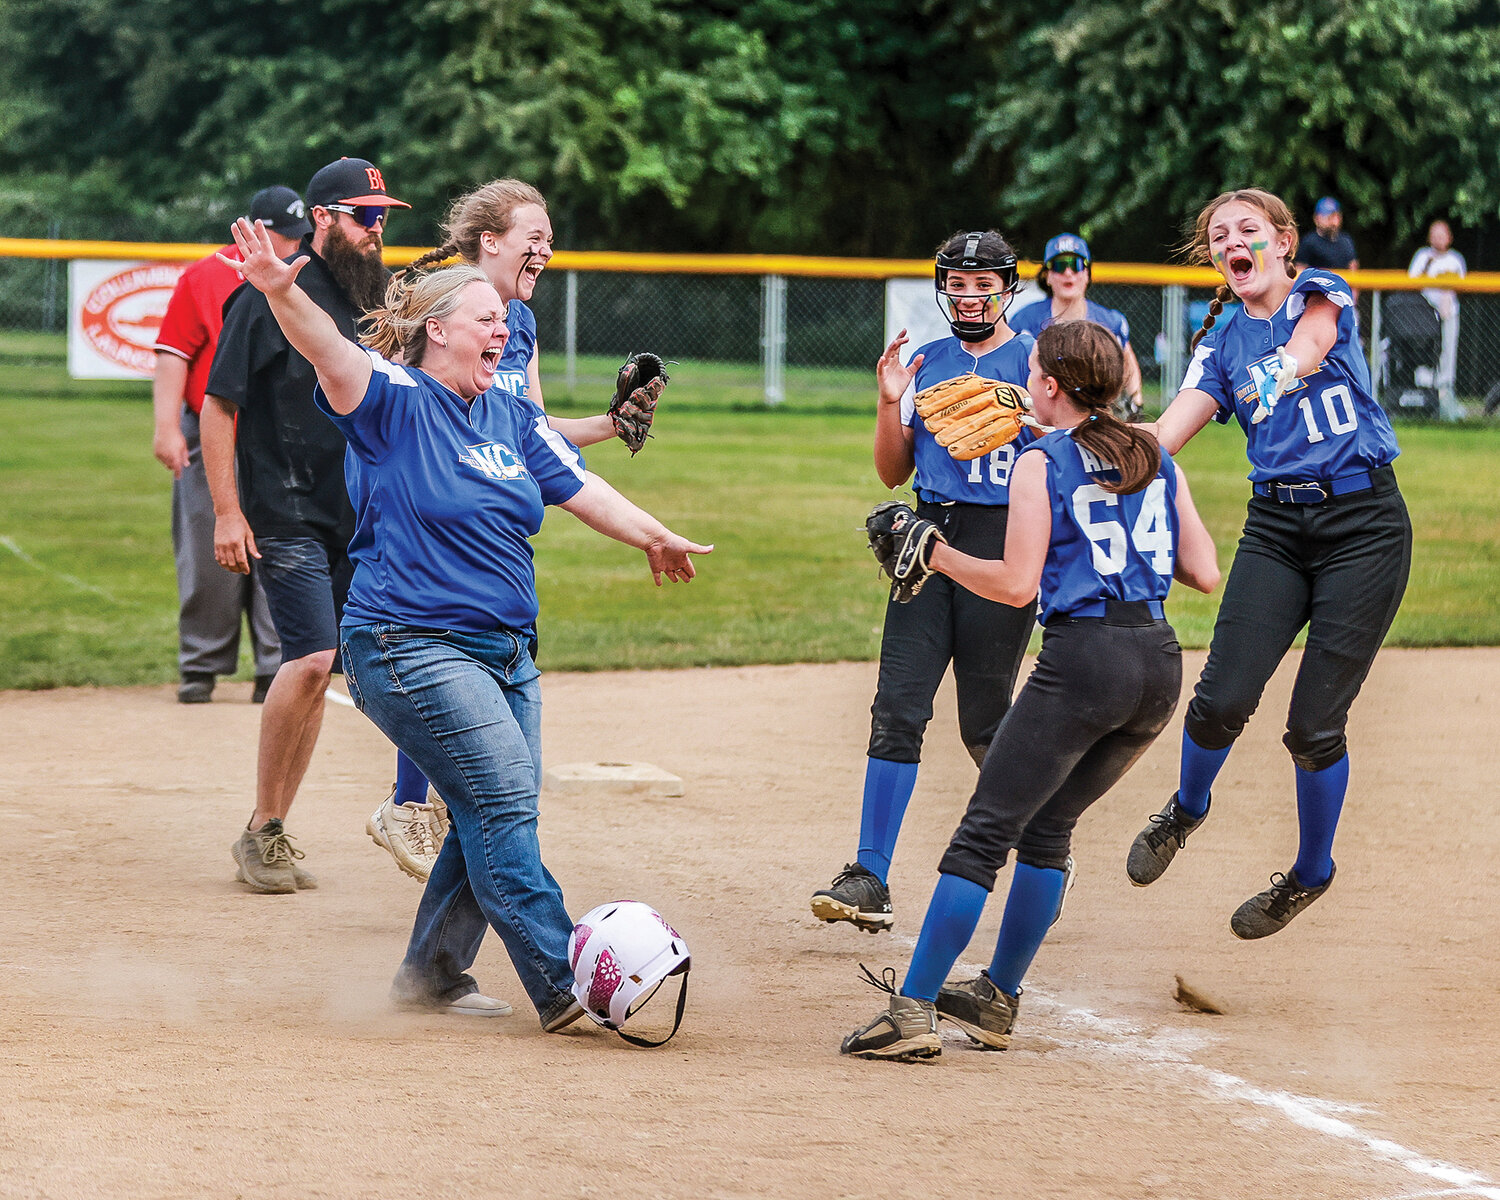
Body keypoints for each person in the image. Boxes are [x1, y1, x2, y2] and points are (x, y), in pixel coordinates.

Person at [219, 216, 711, 1025]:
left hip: (507, 651)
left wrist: (652, 532)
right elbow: (328, 349)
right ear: (436, 330)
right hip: (406, 644)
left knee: (489, 806)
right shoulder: (391, 397)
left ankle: (432, 974)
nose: (504, 329)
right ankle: (567, 982)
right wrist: (281, 290)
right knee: (505, 798)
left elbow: (579, 487)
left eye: (505, 322)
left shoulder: (510, 414)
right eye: (488, 318)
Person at [840, 320, 1219, 1061]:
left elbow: (1014, 586)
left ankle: (912, 1010)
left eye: (1034, 371)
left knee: (985, 832)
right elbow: (1202, 570)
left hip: (1083, 663)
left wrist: (937, 552)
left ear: (1048, 386)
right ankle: (994, 998)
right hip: (1158, 665)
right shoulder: (1153, 454)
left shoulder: (1040, 462)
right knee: (1048, 829)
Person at [1125, 188, 1411, 939]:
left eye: (1247, 229)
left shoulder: (1321, 289)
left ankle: (1311, 872)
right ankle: (1186, 808)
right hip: (1278, 529)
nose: (1231, 242)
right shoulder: (1217, 348)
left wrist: (1278, 369)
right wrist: (1088, 443)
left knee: (1313, 725)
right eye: (1219, 235)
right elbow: (1167, 434)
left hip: (1365, 527)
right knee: (1220, 700)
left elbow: (1311, 344)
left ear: (1284, 242)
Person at [364, 179, 644, 881]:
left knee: (490, 691)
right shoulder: (438, 309)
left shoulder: (519, 325)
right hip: (423, 523)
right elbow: (406, 421)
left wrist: (610, 426)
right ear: (490, 241)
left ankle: (449, 861)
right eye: (535, 237)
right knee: (444, 652)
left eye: (550, 238)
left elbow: (531, 432)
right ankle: (408, 807)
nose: (547, 249)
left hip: (494, 525)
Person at [809, 230, 1039, 935]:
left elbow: (1076, 446)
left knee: (983, 720)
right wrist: (889, 401)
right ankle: (869, 875)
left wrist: (1026, 411)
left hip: (1005, 540)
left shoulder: (1037, 359)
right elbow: (891, 472)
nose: (970, 295)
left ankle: (1041, 849)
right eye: (958, 283)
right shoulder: (925, 361)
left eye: (984, 283)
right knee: (898, 706)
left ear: (1008, 288)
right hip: (926, 538)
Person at [202, 156, 410, 894]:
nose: (377, 227)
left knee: (328, 672)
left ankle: (273, 827)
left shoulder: (381, 300)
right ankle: (263, 827)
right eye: (364, 214)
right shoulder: (269, 296)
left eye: (383, 215)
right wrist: (228, 511)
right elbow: (219, 405)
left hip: (357, 515)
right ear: (322, 218)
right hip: (282, 509)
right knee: (314, 657)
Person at [152, 187, 306, 704]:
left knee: (280, 550)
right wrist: (167, 427)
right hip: (211, 428)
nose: (290, 245)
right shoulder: (204, 276)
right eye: (282, 234)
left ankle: (275, 665)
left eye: (295, 236)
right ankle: (201, 664)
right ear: (254, 230)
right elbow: (174, 353)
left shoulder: (302, 277)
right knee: (206, 549)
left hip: (281, 438)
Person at [1009, 233, 1145, 418]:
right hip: (1039, 415)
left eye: (1076, 265)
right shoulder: (1025, 320)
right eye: (1059, 266)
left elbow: (1127, 361)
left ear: (1087, 274)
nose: (1068, 273)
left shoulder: (1110, 321)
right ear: (1047, 276)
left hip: (1094, 416)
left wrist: (1135, 405)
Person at [1408, 219, 1466, 419]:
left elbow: (1461, 287)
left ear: (1449, 237)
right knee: (1424, 354)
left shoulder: (1455, 259)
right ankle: (1424, 394)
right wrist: (1427, 266)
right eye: (1435, 234)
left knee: (1448, 353)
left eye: (1442, 235)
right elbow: (1412, 283)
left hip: (1448, 315)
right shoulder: (1423, 256)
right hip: (1424, 315)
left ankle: (1445, 392)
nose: (1438, 239)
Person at [1295, 196, 1360, 275]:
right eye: (1330, 217)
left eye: (1337, 217)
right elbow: (1300, 271)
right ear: (1317, 218)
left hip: (1342, 286)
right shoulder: (1309, 242)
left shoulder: (1346, 241)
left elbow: (1353, 269)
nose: (1334, 222)